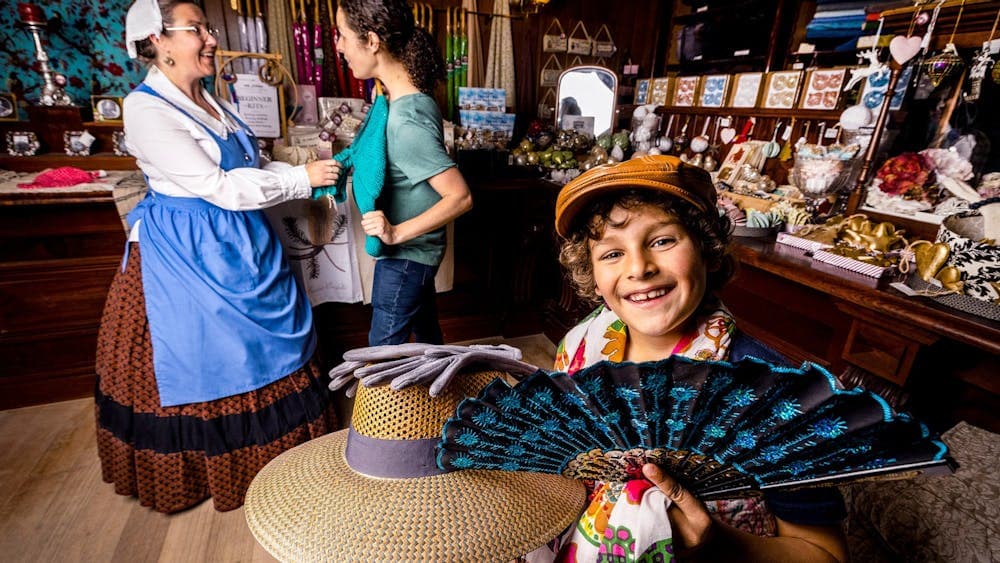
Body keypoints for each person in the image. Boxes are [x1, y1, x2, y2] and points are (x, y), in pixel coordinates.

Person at [95, 0, 342, 513]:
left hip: (243, 239)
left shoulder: (214, 100)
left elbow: (252, 163)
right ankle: (225, 473)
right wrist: (302, 179)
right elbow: (216, 186)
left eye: (208, 27)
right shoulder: (145, 109)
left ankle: (285, 467)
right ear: (158, 41)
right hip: (189, 254)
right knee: (209, 355)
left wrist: (299, 165)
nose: (211, 38)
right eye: (198, 29)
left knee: (267, 349)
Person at [537, 155, 848, 561]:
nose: (639, 268)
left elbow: (827, 555)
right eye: (611, 254)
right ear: (591, 272)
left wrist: (719, 544)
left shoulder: (773, 395)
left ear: (708, 249)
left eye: (662, 241)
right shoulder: (580, 347)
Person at [335, 0, 473, 346]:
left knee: (381, 358)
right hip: (416, 257)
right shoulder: (406, 99)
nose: (338, 46)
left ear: (371, 41)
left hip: (406, 257)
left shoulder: (404, 120)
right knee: (427, 343)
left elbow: (460, 196)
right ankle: (442, 400)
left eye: (343, 36)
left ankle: (388, 403)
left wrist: (395, 233)